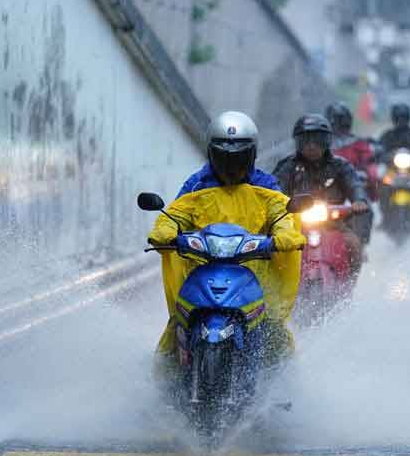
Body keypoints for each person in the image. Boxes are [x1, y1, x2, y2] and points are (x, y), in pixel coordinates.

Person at [148, 111, 306, 369]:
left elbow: (282, 215)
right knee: (177, 325)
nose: (231, 165)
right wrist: (165, 230)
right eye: (224, 157)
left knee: (276, 331)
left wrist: (285, 235)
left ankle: (286, 383)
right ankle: (161, 384)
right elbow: (175, 214)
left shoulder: (266, 185)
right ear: (211, 154)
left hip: (256, 277)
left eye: (239, 158)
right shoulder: (197, 185)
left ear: (252, 155)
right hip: (202, 271)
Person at [273, 113, 371, 271]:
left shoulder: (341, 165)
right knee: (273, 250)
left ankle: (347, 290)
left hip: (335, 224)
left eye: (317, 140)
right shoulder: (287, 166)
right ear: (298, 142)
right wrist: (279, 205)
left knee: (353, 245)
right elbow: (275, 189)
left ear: (326, 141)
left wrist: (359, 200)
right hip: (293, 226)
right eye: (306, 140)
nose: (311, 146)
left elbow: (355, 185)